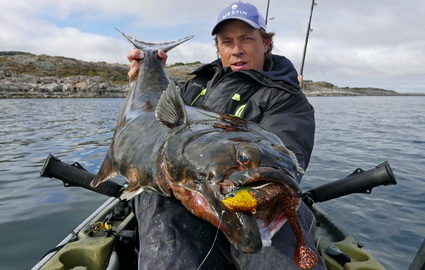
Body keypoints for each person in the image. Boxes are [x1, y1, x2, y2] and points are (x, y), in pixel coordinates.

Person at [127, 2, 325, 269]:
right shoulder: (193, 85)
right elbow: (156, 128)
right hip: (181, 189)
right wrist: (141, 80)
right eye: (227, 42)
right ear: (218, 48)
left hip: (250, 201)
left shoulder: (286, 98)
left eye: (246, 39)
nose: (236, 50)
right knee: (155, 203)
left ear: (266, 44)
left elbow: (287, 161)